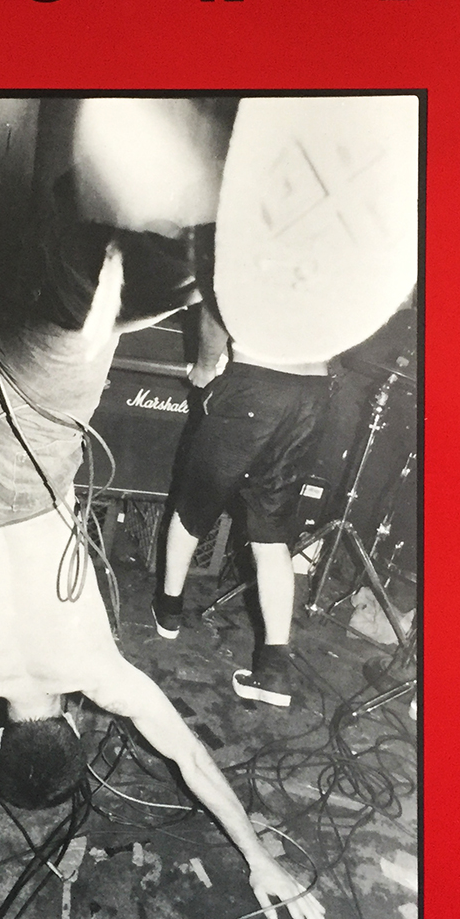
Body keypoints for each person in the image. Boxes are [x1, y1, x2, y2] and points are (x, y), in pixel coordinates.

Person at [0, 226, 330, 919]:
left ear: (69, 724)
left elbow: (191, 758)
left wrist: (260, 856)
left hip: (30, 453)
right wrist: (1, 764)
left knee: (99, 296)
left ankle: (167, 238)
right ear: (2, 736)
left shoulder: (98, 673)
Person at [154, 289, 331, 709]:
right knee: (272, 532)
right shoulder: (326, 256)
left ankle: (169, 612)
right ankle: (274, 672)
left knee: (193, 505)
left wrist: (204, 367)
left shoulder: (250, 249)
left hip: (257, 382)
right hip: (313, 393)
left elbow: (215, 309)